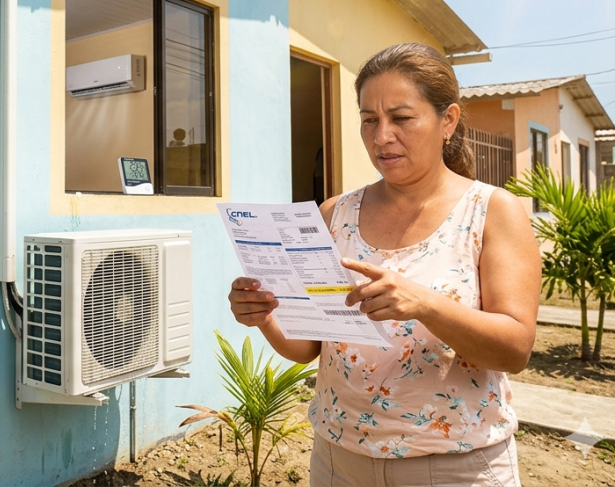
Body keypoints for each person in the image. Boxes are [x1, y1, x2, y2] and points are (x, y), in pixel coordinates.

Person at [227, 43, 541, 486]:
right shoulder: (334, 214)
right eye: (369, 120)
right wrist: (264, 317)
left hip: (453, 465)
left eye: (401, 118)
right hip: (339, 460)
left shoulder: (492, 212)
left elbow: (514, 349)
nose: (381, 137)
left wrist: (425, 304)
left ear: (447, 120)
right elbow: (310, 348)